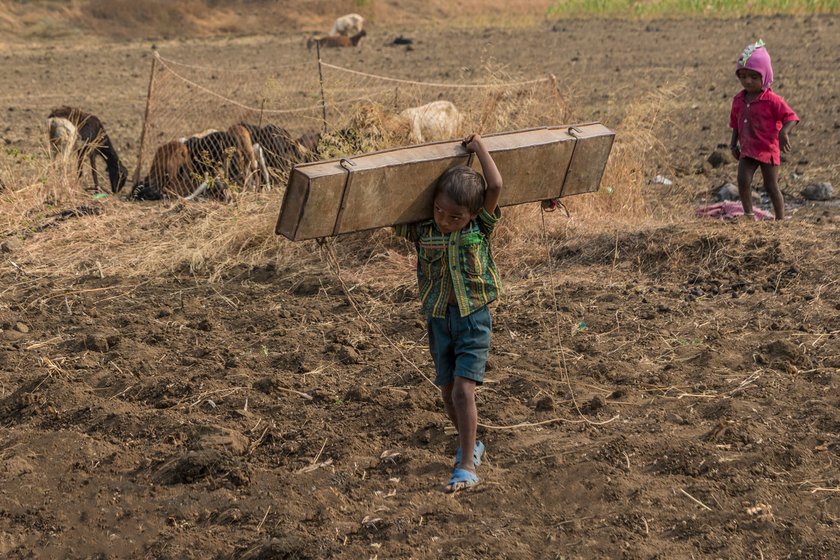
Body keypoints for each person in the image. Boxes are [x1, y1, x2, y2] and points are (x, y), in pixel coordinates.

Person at [394, 133, 502, 492]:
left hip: (473, 318)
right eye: (439, 210)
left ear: (471, 215)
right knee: (446, 392)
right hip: (439, 319)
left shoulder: (479, 229)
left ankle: (467, 463)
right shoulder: (423, 230)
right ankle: (470, 443)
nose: (444, 219)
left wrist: (477, 146)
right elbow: (387, 211)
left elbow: (496, 183)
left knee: (462, 391)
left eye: (455, 216)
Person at [729, 39, 799, 220]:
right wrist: (732, 143)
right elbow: (735, 123)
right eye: (743, 76)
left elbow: (791, 117)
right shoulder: (739, 100)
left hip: (768, 150)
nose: (747, 81)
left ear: (765, 77)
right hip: (747, 149)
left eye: (753, 77)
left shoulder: (772, 100)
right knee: (743, 180)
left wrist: (784, 133)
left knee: (771, 186)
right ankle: (749, 215)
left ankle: (780, 219)